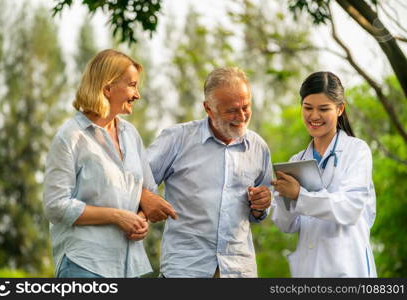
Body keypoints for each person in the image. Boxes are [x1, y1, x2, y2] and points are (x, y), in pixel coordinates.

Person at [43, 49, 175, 278]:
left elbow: (148, 191)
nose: (138, 94)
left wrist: (140, 220)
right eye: (132, 85)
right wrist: (117, 216)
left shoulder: (130, 134)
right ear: (107, 88)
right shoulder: (71, 137)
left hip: (128, 267)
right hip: (84, 265)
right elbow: (55, 205)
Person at [145, 67, 272, 278]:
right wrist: (147, 196)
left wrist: (262, 205)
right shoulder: (177, 139)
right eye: (231, 110)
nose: (241, 116)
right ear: (208, 108)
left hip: (239, 271)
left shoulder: (258, 148)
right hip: (186, 270)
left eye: (246, 107)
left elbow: (260, 212)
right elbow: (135, 180)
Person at [271, 71, 377, 277]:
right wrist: (282, 198)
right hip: (309, 271)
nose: (314, 116)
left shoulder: (357, 151)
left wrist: (299, 195)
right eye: (308, 108)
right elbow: (286, 225)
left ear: (340, 109)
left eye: (323, 109)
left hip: (347, 269)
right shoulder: (296, 161)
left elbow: (350, 208)